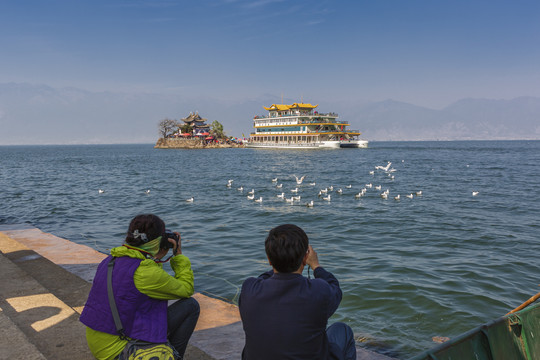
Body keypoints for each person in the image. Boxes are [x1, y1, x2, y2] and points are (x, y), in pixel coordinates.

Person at [80, 214, 199, 360]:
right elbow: (186, 289)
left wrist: (155, 255)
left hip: (99, 344)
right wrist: (178, 255)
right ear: (158, 242)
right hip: (119, 350)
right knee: (191, 306)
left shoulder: (109, 260)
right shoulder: (144, 272)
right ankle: (174, 356)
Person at [239, 224, 356, 360]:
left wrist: (281, 260)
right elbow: (335, 288)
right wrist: (316, 266)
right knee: (343, 330)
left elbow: (264, 277)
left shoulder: (249, 289)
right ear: (305, 259)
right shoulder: (318, 292)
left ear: (269, 259)